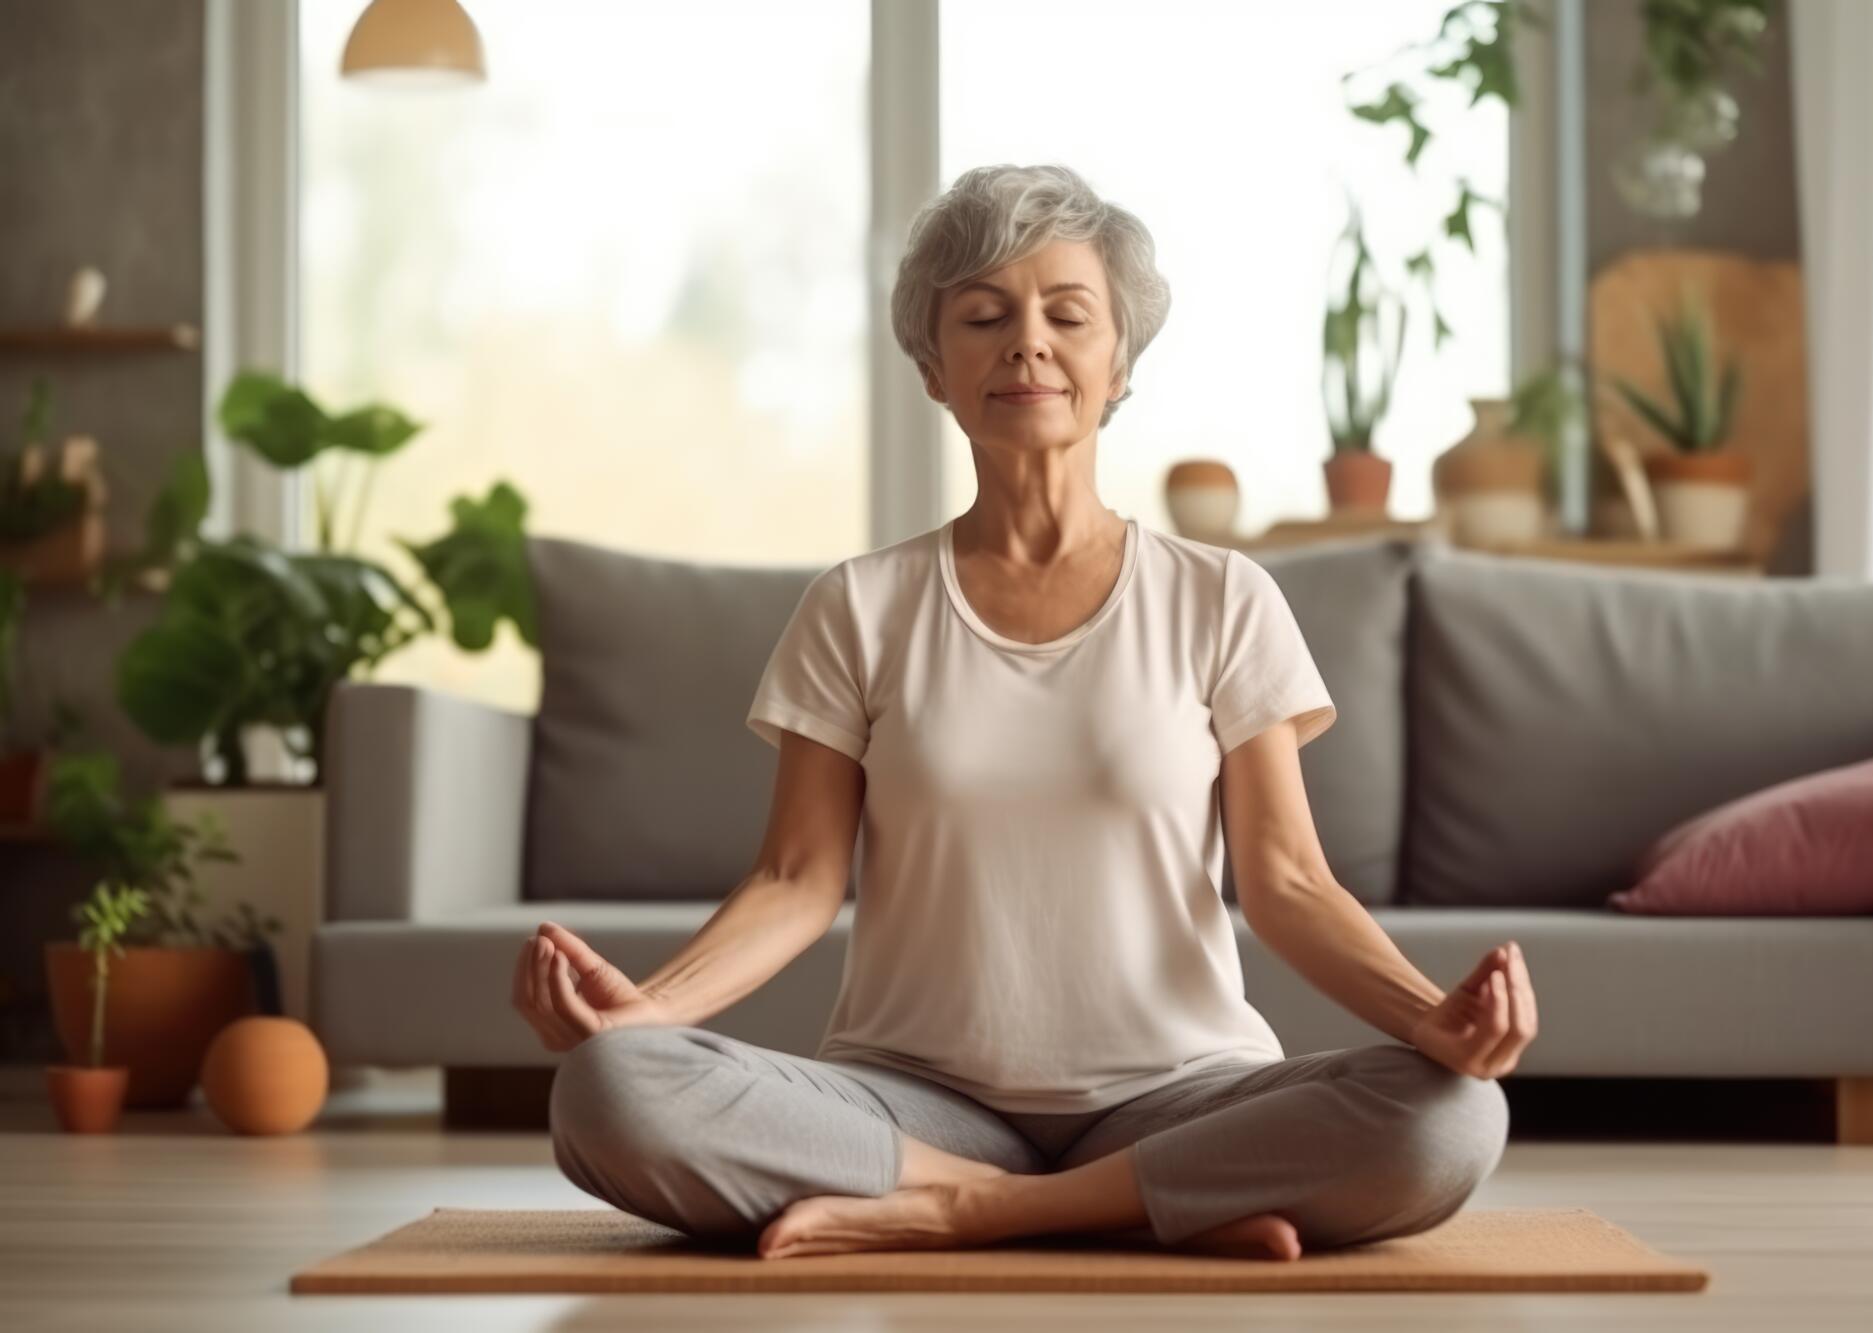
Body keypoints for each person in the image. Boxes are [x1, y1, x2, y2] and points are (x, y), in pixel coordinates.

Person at [513, 164, 1537, 1263]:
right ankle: (1131, 1208)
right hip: (909, 1106)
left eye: (1067, 313)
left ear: (1118, 362)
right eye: (983, 316)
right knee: (611, 1087)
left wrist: (1428, 1019)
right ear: (931, 367)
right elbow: (795, 880)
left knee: (1454, 1114)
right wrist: (646, 1012)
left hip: (1180, 1094)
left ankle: (975, 1213)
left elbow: (1286, 884)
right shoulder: (858, 605)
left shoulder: (1220, 597)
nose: (1026, 343)